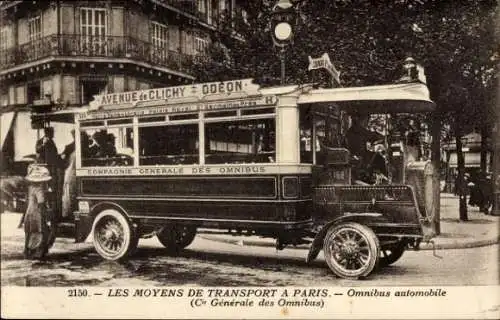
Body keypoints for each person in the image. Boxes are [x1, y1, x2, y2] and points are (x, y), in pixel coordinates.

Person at [23, 164, 55, 260]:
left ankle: (27, 251)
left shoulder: (31, 187)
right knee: (41, 231)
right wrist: (47, 215)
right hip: (37, 213)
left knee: (30, 232)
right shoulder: (39, 189)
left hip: (30, 212)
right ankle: (38, 252)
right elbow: (41, 204)